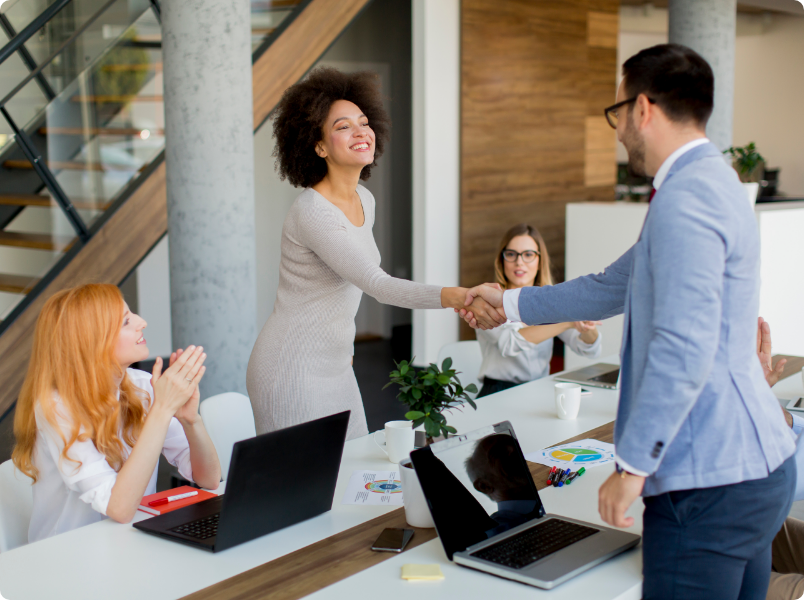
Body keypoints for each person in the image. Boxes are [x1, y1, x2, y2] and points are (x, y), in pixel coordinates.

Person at [460, 44, 796, 599]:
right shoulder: (710, 183)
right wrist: (508, 302)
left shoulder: (687, 200)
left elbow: (681, 349)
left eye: (616, 114)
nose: (618, 132)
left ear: (643, 108)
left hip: (708, 483)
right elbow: (609, 285)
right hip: (752, 470)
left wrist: (633, 468)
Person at [246, 67, 503, 441]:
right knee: (308, 489)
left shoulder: (365, 199)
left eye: (363, 122)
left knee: (354, 473)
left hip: (336, 364)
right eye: (342, 126)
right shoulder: (313, 212)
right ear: (318, 146)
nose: (360, 131)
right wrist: (461, 296)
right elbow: (376, 284)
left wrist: (343, 345)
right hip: (291, 367)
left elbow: (340, 291)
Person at [12, 284, 221, 542]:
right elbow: (118, 508)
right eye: (125, 322)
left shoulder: (143, 385)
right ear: (91, 341)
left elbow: (209, 479)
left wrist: (191, 419)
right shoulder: (57, 408)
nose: (142, 322)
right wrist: (162, 409)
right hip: (69, 555)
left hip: (131, 540)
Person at [475, 223, 601, 398]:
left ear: (540, 261)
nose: (519, 262)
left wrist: (587, 327)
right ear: (502, 260)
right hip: (498, 393)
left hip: (538, 391)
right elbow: (511, 343)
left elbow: (589, 350)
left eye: (528, 255)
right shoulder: (486, 302)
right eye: (511, 254)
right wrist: (568, 322)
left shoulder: (548, 300)